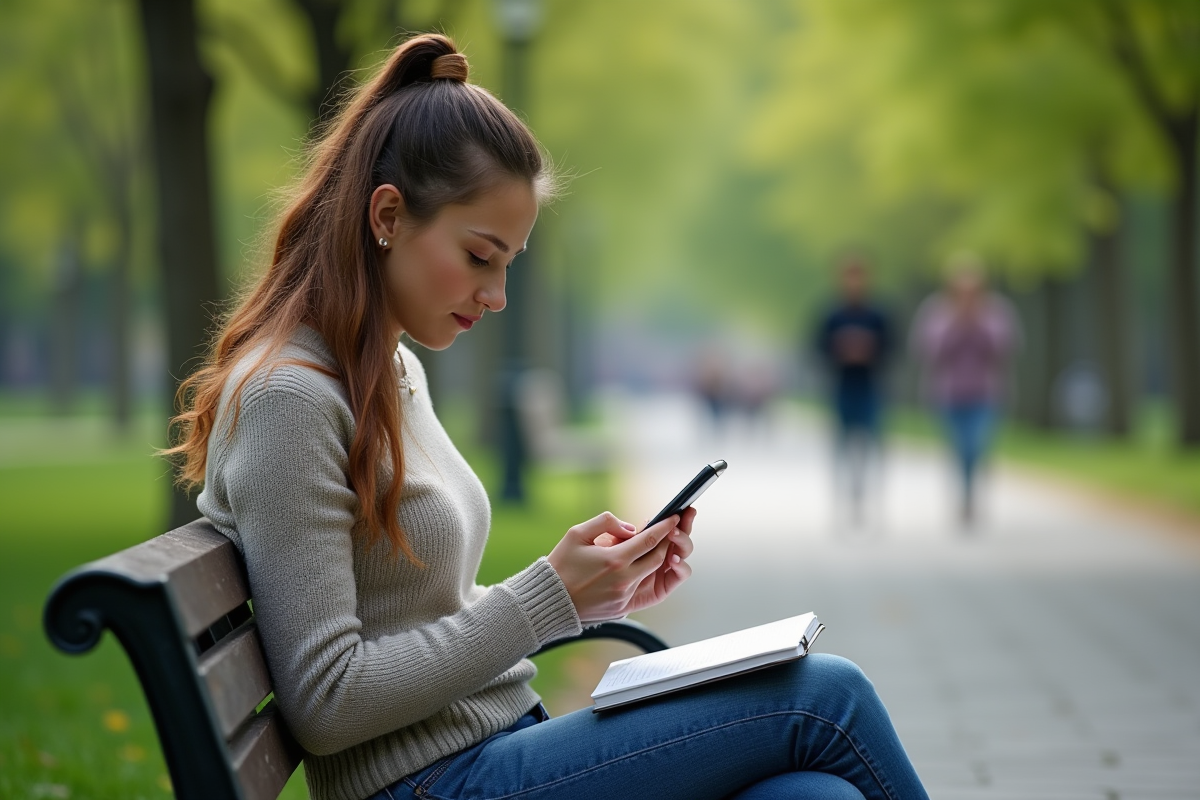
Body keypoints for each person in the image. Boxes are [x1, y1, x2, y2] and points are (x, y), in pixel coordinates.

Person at [166, 34, 929, 800]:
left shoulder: (389, 370)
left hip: (495, 751)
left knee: (816, 798)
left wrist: (589, 592)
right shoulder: (288, 401)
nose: (495, 295)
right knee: (826, 697)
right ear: (389, 215)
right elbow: (327, 703)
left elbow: (418, 614)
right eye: (478, 257)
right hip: (434, 784)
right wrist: (545, 600)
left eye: (509, 264)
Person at [910, 255, 1020, 525]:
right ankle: (964, 496)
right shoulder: (936, 312)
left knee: (977, 446)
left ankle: (970, 495)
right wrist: (956, 326)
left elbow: (1004, 349)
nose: (967, 295)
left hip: (986, 394)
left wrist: (978, 324)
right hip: (948, 395)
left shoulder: (995, 311)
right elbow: (929, 352)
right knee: (959, 448)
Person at [812, 256, 892, 526]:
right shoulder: (832, 314)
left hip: (871, 388)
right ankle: (844, 502)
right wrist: (841, 351)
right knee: (842, 448)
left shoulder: (878, 314)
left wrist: (870, 352)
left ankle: (869, 501)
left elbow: (892, 349)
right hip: (842, 388)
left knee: (872, 447)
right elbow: (817, 348)